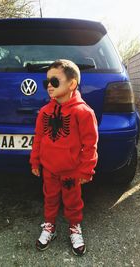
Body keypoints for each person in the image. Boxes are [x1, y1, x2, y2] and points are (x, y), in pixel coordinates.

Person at [30, 59, 98, 256]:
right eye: (47, 82)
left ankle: (74, 227)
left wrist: (86, 169)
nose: (49, 86)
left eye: (55, 81)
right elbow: (39, 139)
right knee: (50, 198)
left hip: (71, 171)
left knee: (73, 201)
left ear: (72, 84)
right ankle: (49, 225)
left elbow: (90, 144)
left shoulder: (83, 112)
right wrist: (35, 161)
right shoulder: (44, 112)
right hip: (49, 169)